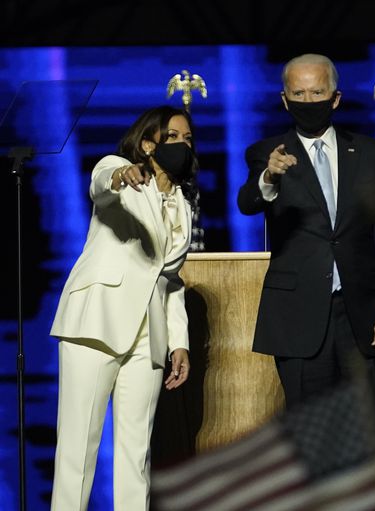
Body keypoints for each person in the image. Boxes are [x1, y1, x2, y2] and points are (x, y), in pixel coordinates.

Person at [238, 53, 375, 505]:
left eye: (316, 92)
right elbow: (248, 202)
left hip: (365, 319)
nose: (307, 100)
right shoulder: (268, 154)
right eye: (298, 93)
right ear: (284, 98)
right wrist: (268, 179)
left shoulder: (371, 155)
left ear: (335, 98)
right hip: (299, 318)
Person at [49, 105, 198, 510]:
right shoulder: (121, 170)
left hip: (148, 335)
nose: (182, 145)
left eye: (187, 139)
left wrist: (178, 342)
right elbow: (101, 183)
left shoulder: (182, 203)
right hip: (96, 323)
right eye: (172, 137)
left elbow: (170, 280)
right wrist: (119, 177)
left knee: (137, 453)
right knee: (78, 448)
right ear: (148, 143)